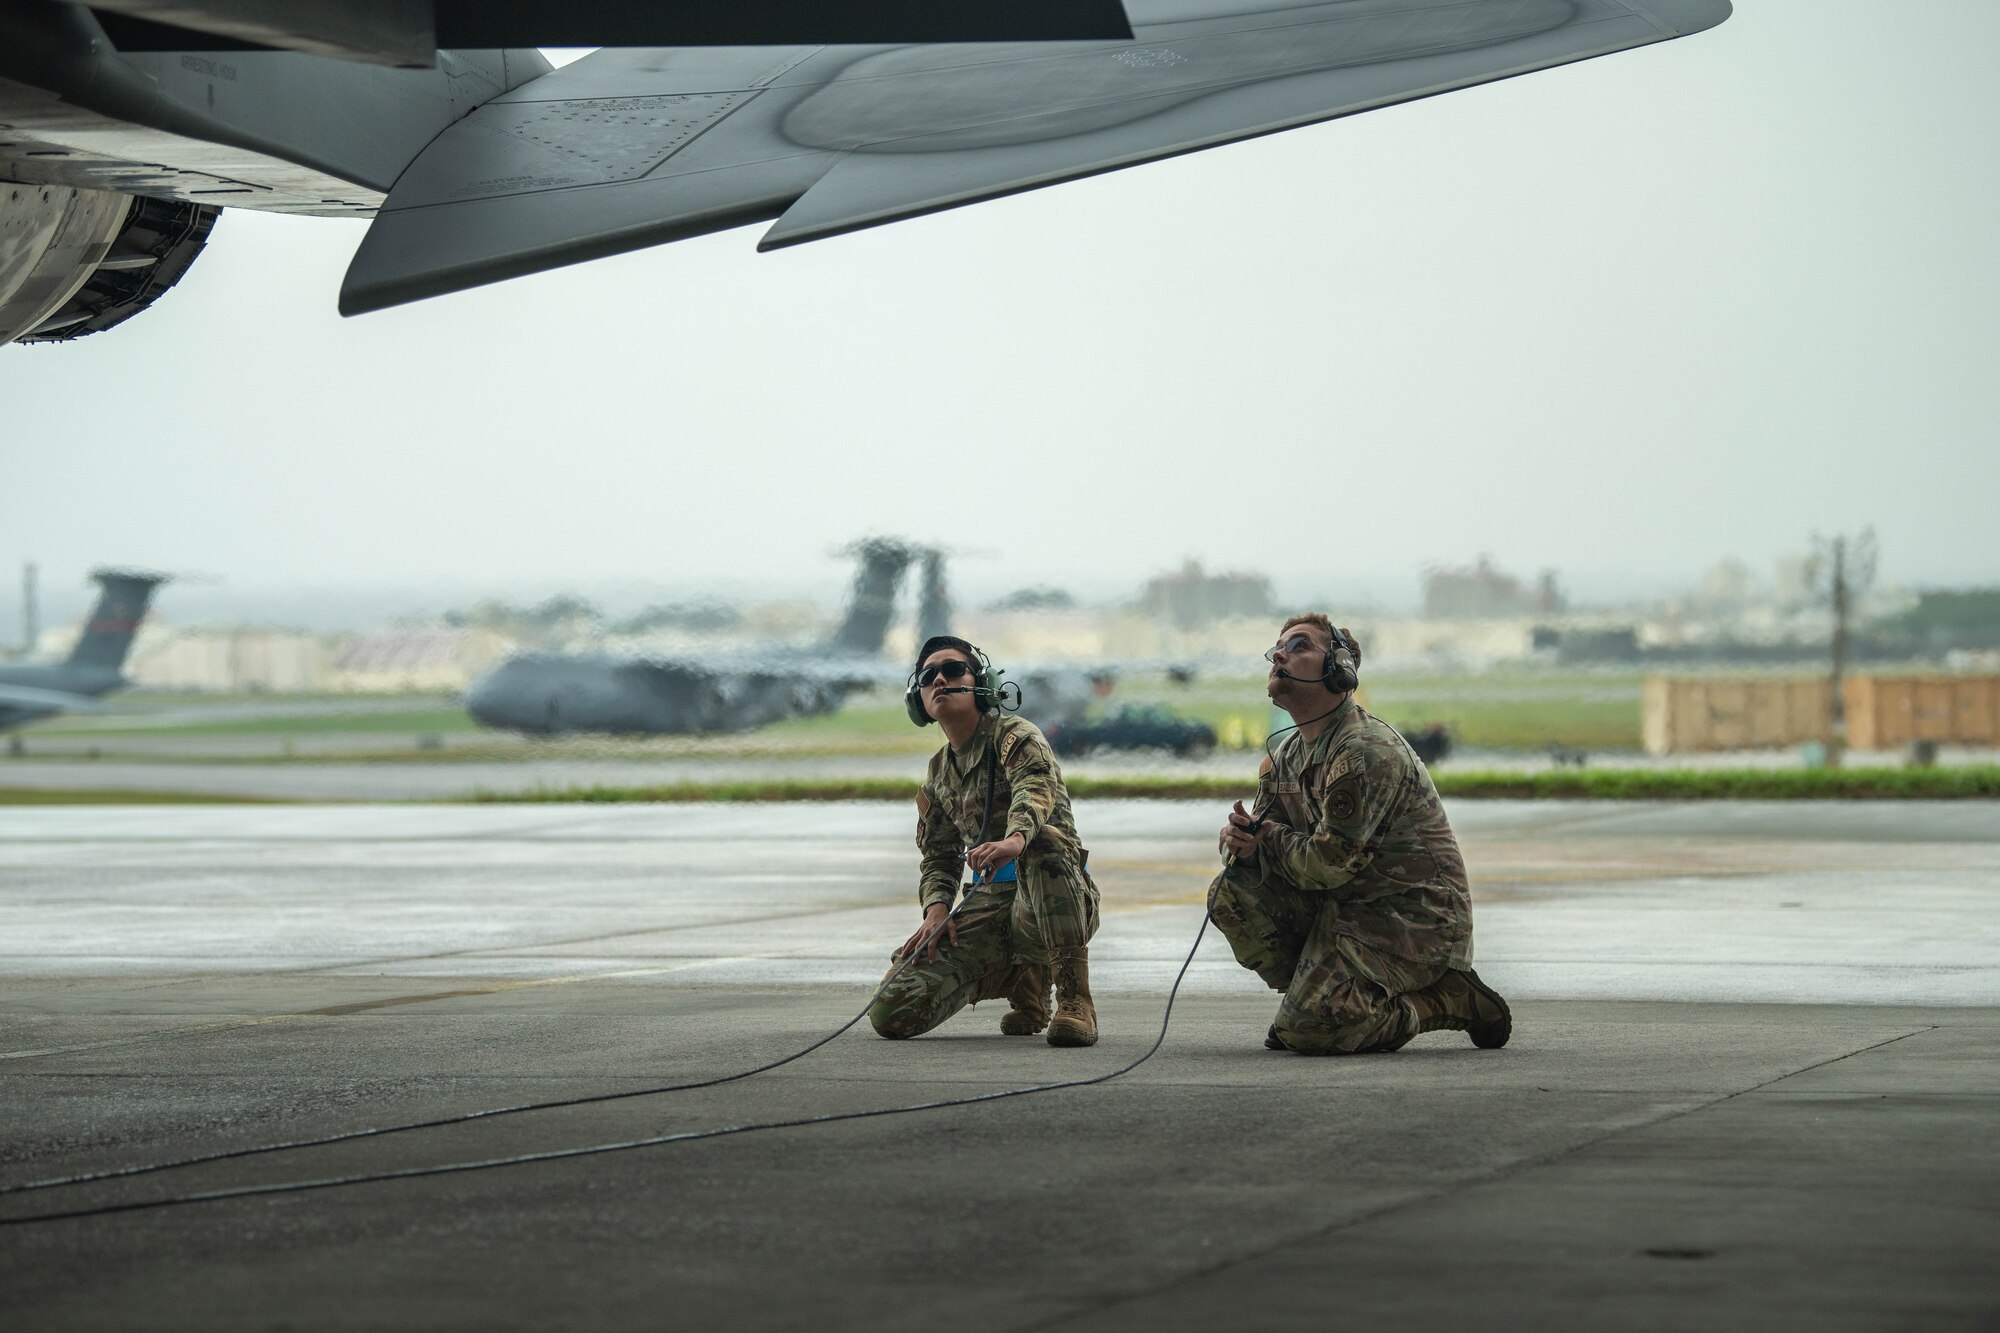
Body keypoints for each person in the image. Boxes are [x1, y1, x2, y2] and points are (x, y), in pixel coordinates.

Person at [1209, 614, 1510, 1055]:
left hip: (1412, 919)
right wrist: (1241, 845)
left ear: (1339, 670)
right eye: (1277, 648)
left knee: (1311, 1033)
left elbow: (1330, 863)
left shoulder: (1364, 752)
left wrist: (1268, 841)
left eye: (1299, 646)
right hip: (1347, 908)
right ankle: (1319, 1003)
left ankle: (1446, 998)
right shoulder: (1287, 755)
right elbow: (1270, 842)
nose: (1279, 655)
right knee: (1232, 892)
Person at [867, 636, 1101, 1046]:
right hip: (989, 903)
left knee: (1043, 843)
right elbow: (938, 856)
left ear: (981, 683)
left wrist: (1014, 840)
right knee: (892, 1011)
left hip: (1048, 898)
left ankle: (1074, 1001)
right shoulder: (939, 772)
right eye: (927, 676)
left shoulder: (1015, 735)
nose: (940, 678)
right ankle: (1021, 977)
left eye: (953, 670)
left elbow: (1034, 789)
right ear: (918, 698)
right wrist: (936, 912)